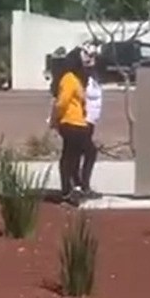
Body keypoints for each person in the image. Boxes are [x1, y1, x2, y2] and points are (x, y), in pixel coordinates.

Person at [50, 47, 94, 205]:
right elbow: (62, 102)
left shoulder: (76, 79)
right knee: (69, 158)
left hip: (78, 123)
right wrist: (54, 119)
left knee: (74, 156)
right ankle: (66, 192)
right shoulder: (69, 79)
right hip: (70, 123)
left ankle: (72, 190)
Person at [80, 51, 104, 199]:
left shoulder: (95, 77)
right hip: (81, 121)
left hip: (91, 121)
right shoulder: (81, 78)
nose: (91, 63)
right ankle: (83, 186)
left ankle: (81, 184)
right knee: (89, 152)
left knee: (84, 153)